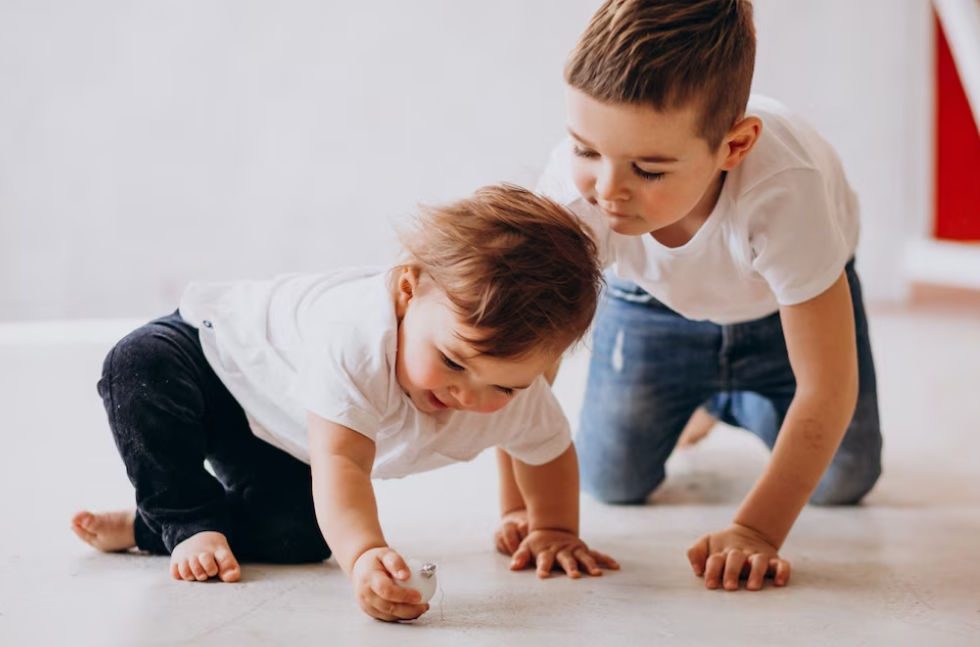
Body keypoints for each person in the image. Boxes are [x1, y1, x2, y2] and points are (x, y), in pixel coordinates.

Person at [71, 184, 618, 622]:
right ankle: (183, 517)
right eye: (452, 362)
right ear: (409, 290)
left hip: (283, 428)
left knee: (302, 533)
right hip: (218, 361)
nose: (466, 396)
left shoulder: (514, 391)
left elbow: (546, 449)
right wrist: (364, 557)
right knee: (138, 368)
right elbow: (342, 463)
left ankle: (146, 531)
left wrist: (552, 528)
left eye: (503, 387)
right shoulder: (357, 339)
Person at [495, 0, 881, 592]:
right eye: (585, 150)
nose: (608, 190)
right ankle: (707, 400)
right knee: (610, 478)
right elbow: (519, 352)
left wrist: (756, 531)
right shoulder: (576, 200)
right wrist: (518, 506)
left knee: (844, 480)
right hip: (652, 304)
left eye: (648, 171)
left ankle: (736, 400)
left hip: (782, 314)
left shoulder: (785, 189)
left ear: (735, 146)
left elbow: (828, 387)